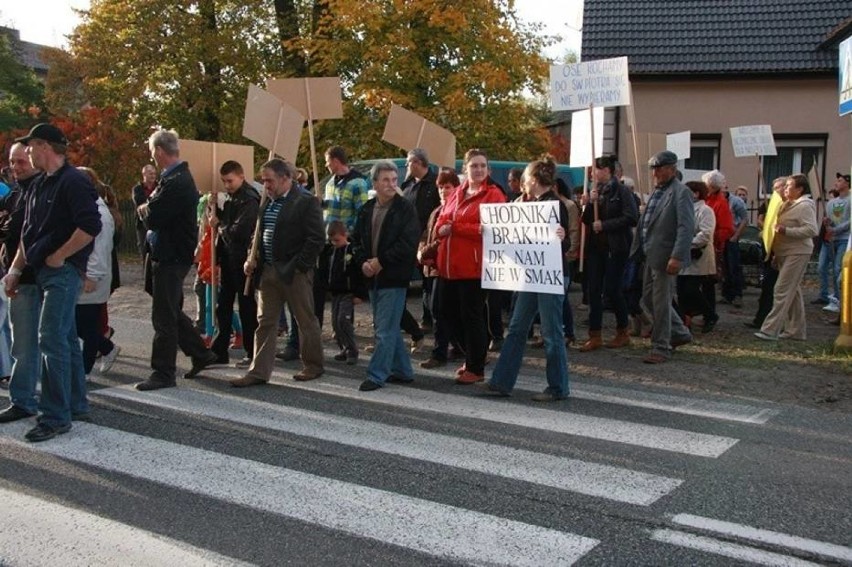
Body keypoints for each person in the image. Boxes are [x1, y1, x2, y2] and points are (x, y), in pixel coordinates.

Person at [3, 123, 101, 442]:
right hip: (44, 271)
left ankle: (55, 416)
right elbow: (27, 237)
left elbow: (90, 226)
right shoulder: (41, 185)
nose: (27, 153)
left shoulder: (73, 181)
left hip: (62, 273)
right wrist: (16, 271)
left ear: (45, 146)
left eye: (30, 147)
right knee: (65, 339)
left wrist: (61, 255)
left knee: (51, 338)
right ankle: (75, 405)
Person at [230, 158, 325, 388]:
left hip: (294, 272)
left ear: (285, 178)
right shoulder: (267, 203)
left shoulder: (305, 202)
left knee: (305, 320)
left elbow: (316, 238)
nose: (266, 185)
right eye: (264, 180)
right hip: (268, 271)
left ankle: (313, 365)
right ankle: (259, 371)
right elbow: (258, 236)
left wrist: (301, 266)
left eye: (269, 180)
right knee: (265, 322)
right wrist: (251, 259)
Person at [483, 157, 571, 401]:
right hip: (532, 276)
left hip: (550, 277)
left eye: (525, 180)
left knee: (551, 332)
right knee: (517, 327)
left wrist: (562, 237)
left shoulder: (555, 205)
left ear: (533, 180)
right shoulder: (531, 205)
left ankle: (558, 387)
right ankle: (501, 382)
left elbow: (567, 244)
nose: (523, 184)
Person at [135, 129, 217, 391]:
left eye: (152, 153)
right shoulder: (171, 179)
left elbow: (153, 216)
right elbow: (153, 210)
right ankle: (200, 352)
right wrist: (149, 207)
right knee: (168, 307)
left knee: (163, 316)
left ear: (159, 152)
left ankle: (163, 372)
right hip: (164, 252)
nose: (153, 158)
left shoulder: (177, 181)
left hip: (172, 254)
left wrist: (144, 207)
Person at [435, 149, 507, 384]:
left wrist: (456, 227)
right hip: (448, 265)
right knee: (446, 313)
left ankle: (476, 367)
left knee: (471, 316)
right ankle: (474, 354)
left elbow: (491, 230)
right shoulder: (456, 192)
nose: (478, 170)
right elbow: (441, 219)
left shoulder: (493, 195)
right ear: (465, 168)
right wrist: (443, 227)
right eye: (474, 166)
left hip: (474, 267)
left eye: (482, 166)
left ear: (488, 169)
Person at [351, 161, 420, 391]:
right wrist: (363, 262)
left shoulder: (405, 208)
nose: (391, 184)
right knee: (387, 326)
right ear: (375, 183)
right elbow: (356, 240)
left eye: (394, 179)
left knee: (383, 329)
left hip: (394, 277)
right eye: (386, 180)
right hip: (373, 277)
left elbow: (407, 243)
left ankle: (376, 375)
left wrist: (382, 261)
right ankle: (402, 370)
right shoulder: (367, 209)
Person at [629, 151, 694, 364]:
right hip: (649, 254)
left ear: (672, 169)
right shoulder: (657, 192)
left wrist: (677, 256)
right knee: (648, 298)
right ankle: (680, 333)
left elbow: (686, 227)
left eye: (659, 168)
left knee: (660, 302)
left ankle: (661, 346)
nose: (655, 173)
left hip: (665, 256)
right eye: (653, 169)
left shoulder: (680, 192)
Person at [578, 155, 638, 352]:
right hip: (596, 249)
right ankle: (595, 335)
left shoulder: (621, 191)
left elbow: (631, 217)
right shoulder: (597, 192)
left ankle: (623, 331)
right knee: (593, 290)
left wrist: (605, 225)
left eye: (595, 169)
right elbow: (587, 221)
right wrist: (587, 204)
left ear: (606, 171)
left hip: (615, 247)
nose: (592, 173)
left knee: (612, 289)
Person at [0, 142, 42, 420]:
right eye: (12, 162)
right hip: (20, 276)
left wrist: (14, 271)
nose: (15, 167)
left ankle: (24, 400)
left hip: (30, 277)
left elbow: (18, 231)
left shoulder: (37, 190)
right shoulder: (18, 191)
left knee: (27, 343)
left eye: (21, 161)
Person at [208, 160, 260, 368]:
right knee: (223, 305)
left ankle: (252, 350)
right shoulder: (230, 197)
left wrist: (219, 224)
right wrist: (216, 212)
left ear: (241, 176)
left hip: (243, 258)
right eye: (224, 181)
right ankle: (220, 350)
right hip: (229, 257)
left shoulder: (249, 199)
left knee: (247, 306)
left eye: (230, 181)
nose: (227, 185)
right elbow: (227, 224)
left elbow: (240, 230)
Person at [755, 174, 818, 340]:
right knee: (793, 292)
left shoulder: (805, 205)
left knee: (781, 290)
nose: (785, 189)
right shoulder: (787, 204)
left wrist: (786, 231)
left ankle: (770, 329)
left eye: (789, 186)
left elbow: (811, 230)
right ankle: (796, 331)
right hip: (785, 252)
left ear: (799, 189)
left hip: (797, 251)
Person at [75, 177, 120, 376]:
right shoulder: (87, 208)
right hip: (84, 275)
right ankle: (107, 348)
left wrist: (91, 276)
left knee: (85, 325)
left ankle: (85, 370)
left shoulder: (100, 214)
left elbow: (100, 249)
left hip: (93, 277)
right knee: (80, 324)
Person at [418, 169, 462, 369]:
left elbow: (441, 240)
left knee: (440, 310)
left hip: (444, 267)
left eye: (448, 187)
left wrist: (425, 252)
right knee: (434, 306)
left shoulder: (454, 210)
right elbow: (426, 234)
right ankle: (459, 346)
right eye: (441, 188)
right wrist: (420, 251)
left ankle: (440, 352)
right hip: (431, 267)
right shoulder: (436, 211)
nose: (443, 191)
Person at [317, 220, 366, 365]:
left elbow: (359, 274)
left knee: (343, 320)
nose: (334, 243)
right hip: (335, 292)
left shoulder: (352, 251)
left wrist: (359, 294)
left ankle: (352, 349)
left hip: (348, 292)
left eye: (337, 240)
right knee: (335, 323)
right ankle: (344, 347)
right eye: (332, 241)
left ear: (345, 236)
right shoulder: (331, 252)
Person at [746, 177, 788, 329]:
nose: (776, 190)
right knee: (767, 287)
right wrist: (767, 227)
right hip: (768, 249)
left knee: (776, 287)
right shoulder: (768, 204)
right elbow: (761, 221)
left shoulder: (788, 206)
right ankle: (761, 318)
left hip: (780, 251)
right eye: (774, 187)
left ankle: (776, 322)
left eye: (780, 187)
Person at [677, 181, 717, 332]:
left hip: (698, 256)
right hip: (684, 255)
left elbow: (706, 233)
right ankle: (684, 322)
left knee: (691, 289)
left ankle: (709, 314)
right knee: (681, 291)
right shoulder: (684, 209)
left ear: (696, 193)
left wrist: (687, 243)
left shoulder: (706, 210)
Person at [814, 173, 850, 310]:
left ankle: (838, 299)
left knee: (837, 269)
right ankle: (825, 296)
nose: (837, 182)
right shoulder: (831, 203)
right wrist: (827, 222)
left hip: (844, 238)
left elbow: (850, 221)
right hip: (830, 239)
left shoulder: (851, 200)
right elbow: (829, 219)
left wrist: (837, 229)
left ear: (847, 183)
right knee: (821, 266)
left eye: (840, 180)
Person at [701, 170, 736, 307]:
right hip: (706, 244)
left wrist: (712, 238)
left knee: (708, 282)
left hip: (712, 246)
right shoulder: (707, 200)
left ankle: (708, 313)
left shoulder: (720, 203)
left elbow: (727, 229)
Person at [322, 146, 370, 232]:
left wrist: (350, 232)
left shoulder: (358, 184)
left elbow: (362, 214)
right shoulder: (330, 184)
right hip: (330, 237)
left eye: (327, 162)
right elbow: (332, 207)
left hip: (347, 238)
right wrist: (321, 203)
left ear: (336, 161)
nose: (326, 165)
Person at [723, 185, 748, 308]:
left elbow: (744, 219)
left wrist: (736, 235)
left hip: (732, 236)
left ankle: (737, 294)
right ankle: (727, 294)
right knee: (724, 266)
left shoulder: (736, 202)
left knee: (734, 265)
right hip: (720, 236)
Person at [132, 164, 158, 259]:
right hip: (142, 224)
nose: (153, 176)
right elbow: (140, 203)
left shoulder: (159, 187)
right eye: (150, 174)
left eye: (154, 174)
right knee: (144, 250)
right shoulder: (137, 189)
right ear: (144, 174)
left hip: (157, 223)